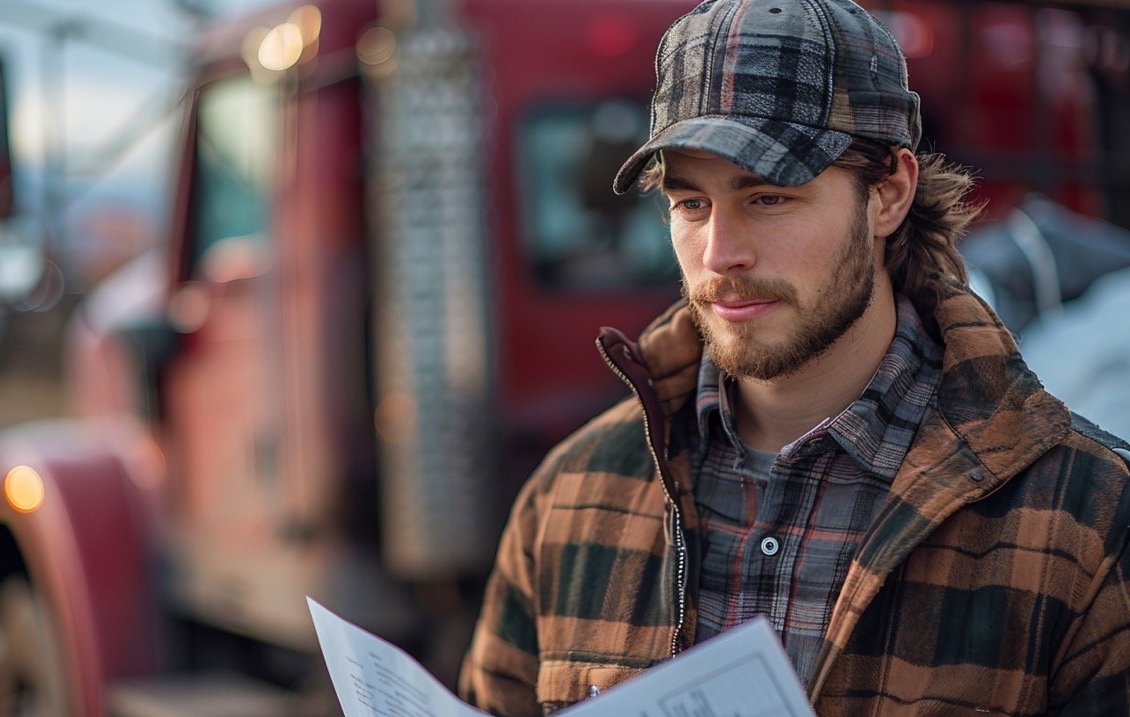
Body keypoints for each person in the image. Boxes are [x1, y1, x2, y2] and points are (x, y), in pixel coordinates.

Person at [458, 0, 1130, 714]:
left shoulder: (1083, 520)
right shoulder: (572, 497)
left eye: (770, 196)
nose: (721, 254)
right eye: (691, 204)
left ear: (890, 194)